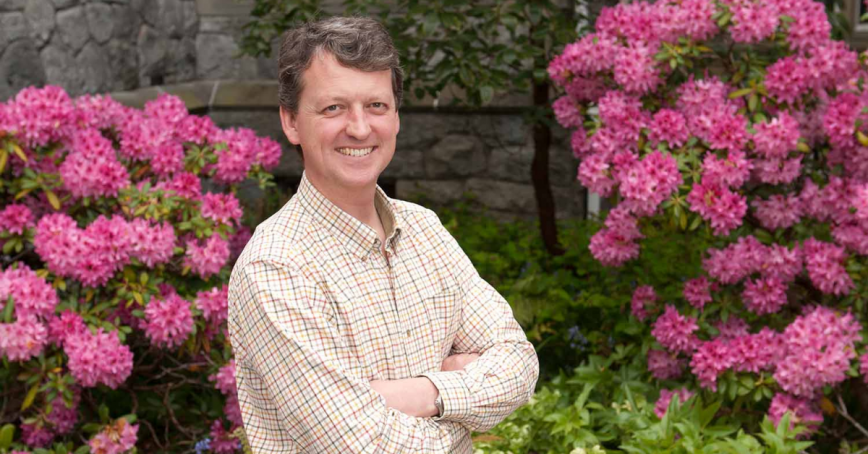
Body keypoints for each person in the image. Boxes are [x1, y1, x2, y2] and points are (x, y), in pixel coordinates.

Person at [227, 16, 539, 453]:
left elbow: (520, 366)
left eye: (376, 106)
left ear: (396, 117)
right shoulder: (276, 266)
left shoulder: (424, 229)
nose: (359, 128)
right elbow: (361, 445)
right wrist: (460, 399)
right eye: (333, 108)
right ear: (292, 121)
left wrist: (421, 394)